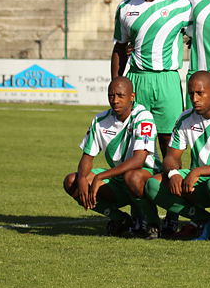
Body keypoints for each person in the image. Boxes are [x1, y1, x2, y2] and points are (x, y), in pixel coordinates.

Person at [111, 0, 190, 236]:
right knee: (137, 149)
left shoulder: (182, 6)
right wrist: (117, 84)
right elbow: (120, 48)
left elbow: (195, 35)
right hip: (137, 80)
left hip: (167, 80)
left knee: (171, 148)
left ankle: (173, 213)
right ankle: (142, 215)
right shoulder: (126, 7)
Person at [144, 71, 210, 243]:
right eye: (191, 93)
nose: (194, 99)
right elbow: (170, 157)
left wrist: (198, 171)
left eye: (200, 93)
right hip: (198, 181)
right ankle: (205, 219)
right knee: (152, 184)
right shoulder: (185, 118)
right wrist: (174, 174)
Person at [63, 77, 162, 239]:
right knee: (71, 181)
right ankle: (120, 219)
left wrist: (101, 176)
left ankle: (153, 222)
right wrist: (82, 179)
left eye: (120, 96)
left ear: (132, 96)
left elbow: (138, 160)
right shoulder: (100, 120)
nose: (115, 101)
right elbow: (87, 158)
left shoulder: (144, 118)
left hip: (145, 176)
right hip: (118, 178)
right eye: (111, 96)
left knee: (133, 176)